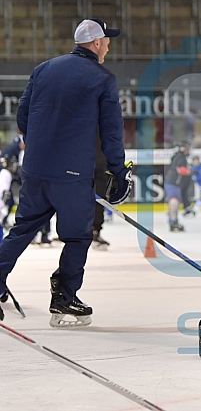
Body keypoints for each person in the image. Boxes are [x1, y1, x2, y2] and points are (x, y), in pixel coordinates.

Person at [0, 18, 132, 325]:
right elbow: (112, 133)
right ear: (96, 43)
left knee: (22, 229)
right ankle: (64, 297)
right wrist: (118, 172)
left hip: (35, 170)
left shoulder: (44, 69)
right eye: (107, 41)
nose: (109, 45)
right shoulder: (102, 78)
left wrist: (39, 149)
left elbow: (22, 115)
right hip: (72, 177)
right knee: (76, 236)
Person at [165, 141, 191, 231]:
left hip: (174, 183)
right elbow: (180, 170)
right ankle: (173, 221)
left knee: (175, 202)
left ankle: (173, 221)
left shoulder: (177, 156)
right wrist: (191, 171)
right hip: (173, 183)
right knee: (174, 201)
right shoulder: (181, 157)